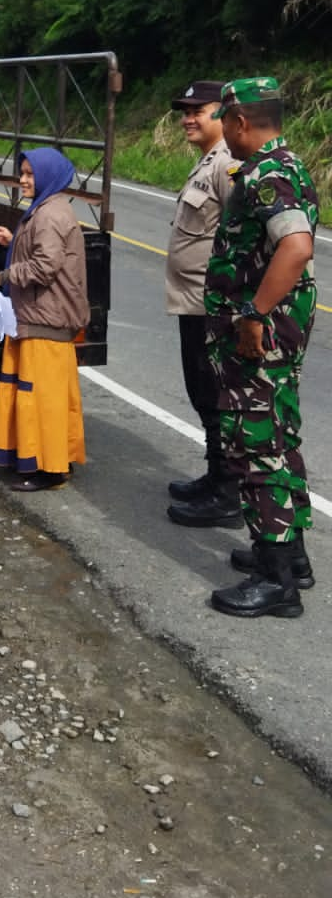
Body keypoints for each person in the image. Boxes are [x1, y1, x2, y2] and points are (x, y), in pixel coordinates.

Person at [203, 77, 318, 619]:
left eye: (224, 120)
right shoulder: (284, 166)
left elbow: (295, 248)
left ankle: (277, 583)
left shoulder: (269, 175)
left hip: (259, 341)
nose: (223, 130)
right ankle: (289, 555)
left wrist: (253, 313)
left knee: (258, 448)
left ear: (241, 121)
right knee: (279, 436)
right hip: (272, 340)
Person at [0, 147, 89, 492]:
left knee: (42, 397)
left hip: (46, 319)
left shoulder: (49, 215)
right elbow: (46, 253)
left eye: (30, 174)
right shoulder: (48, 208)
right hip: (42, 317)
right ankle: (54, 459)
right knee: (48, 395)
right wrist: (14, 242)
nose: (24, 180)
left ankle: (50, 469)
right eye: (23, 173)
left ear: (47, 176)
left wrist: (2, 276)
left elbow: (45, 267)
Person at [165, 79, 242, 528]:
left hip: (212, 304)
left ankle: (228, 494)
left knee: (215, 396)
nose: (188, 118)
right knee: (201, 391)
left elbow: (245, 236)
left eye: (199, 110)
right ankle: (215, 478)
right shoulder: (208, 162)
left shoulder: (228, 165)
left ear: (225, 114)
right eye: (185, 110)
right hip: (194, 301)